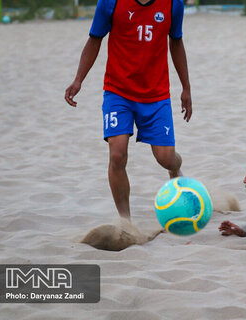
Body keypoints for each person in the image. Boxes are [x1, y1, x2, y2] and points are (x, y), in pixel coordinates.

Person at [65, 0, 192, 220]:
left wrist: (186, 88)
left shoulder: (173, 4)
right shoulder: (110, 3)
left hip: (156, 95)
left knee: (166, 158)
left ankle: (175, 168)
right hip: (118, 93)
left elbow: (177, 43)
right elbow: (95, 40)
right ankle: (126, 222)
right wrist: (78, 80)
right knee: (117, 154)